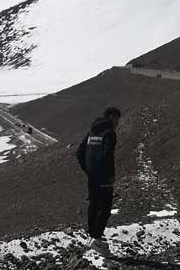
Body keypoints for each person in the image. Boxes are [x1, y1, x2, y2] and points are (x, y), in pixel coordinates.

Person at [76, 106, 121, 256]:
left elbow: (79, 152)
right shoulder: (109, 133)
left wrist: (88, 169)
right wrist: (110, 174)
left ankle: (92, 235)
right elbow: (108, 154)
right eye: (117, 119)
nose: (118, 123)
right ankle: (96, 238)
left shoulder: (91, 132)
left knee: (94, 205)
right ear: (111, 116)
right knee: (105, 208)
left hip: (92, 176)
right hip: (103, 177)